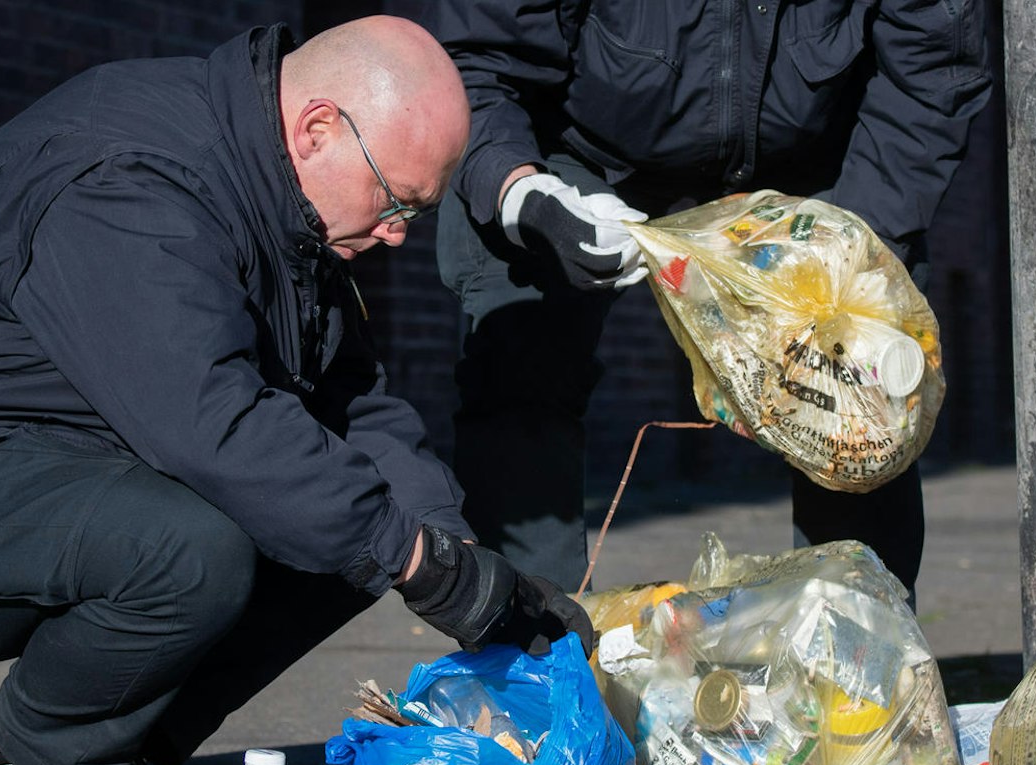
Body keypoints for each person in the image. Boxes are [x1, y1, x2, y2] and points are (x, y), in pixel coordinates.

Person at [0, 18, 593, 765]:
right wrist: (421, 563)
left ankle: (108, 760)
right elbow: (218, 428)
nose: (399, 234)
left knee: (343, 531)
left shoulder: (280, 203)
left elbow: (354, 412)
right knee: (203, 544)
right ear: (316, 129)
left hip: (35, 471)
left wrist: (472, 575)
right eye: (398, 201)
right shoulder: (131, 185)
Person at [422, 2, 991, 597]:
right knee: (519, 351)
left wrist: (848, 256)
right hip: (581, 145)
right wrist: (523, 194)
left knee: (864, 385)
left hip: (818, 153)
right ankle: (531, 655)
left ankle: (858, 642)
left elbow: (933, 66)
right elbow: (481, 60)